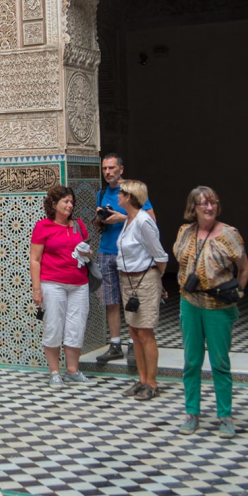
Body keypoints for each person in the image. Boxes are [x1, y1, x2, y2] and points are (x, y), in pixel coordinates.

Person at [174, 186, 248, 438]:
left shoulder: (230, 235)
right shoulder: (185, 232)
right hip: (190, 303)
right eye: (203, 204)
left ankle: (225, 416)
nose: (209, 208)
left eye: (213, 203)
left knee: (220, 362)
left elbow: (244, 269)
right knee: (191, 361)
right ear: (193, 208)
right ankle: (191, 412)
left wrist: (236, 293)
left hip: (219, 307)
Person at [93, 154, 155, 365]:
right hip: (106, 250)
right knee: (110, 300)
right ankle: (115, 344)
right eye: (104, 169)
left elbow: (151, 223)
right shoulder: (101, 193)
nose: (108, 172)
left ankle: (133, 344)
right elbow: (103, 224)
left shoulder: (134, 192)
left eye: (111, 168)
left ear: (121, 169)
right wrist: (100, 221)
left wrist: (123, 217)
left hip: (130, 254)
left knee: (131, 299)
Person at [30, 185, 92, 388]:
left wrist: (86, 253)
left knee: (76, 327)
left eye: (71, 201)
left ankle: (73, 370)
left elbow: (88, 252)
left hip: (79, 284)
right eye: (65, 201)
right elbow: (35, 259)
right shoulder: (43, 227)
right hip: (52, 284)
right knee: (54, 326)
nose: (70, 205)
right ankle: (54, 371)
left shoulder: (78, 225)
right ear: (54, 204)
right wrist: (37, 289)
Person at [115, 179, 168, 400]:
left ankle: (152, 383)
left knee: (145, 331)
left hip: (144, 280)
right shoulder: (129, 220)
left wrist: (156, 278)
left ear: (129, 197)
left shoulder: (144, 222)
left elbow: (160, 255)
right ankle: (142, 379)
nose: (118, 196)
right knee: (134, 331)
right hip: (128, 282)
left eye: (121, 193)